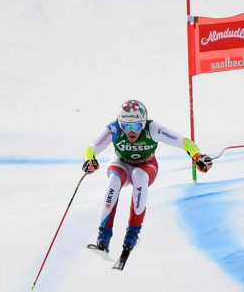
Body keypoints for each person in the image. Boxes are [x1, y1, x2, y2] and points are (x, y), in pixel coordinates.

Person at [82, 99, 212, 263]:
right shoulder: (113, 128)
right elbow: (91, 148)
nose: (131, 131)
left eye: (136, 126)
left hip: (146, 165)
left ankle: (132, 235)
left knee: (139, 177)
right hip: (121, 163)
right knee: (113, 182)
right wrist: (89, 160)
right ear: (120, 124)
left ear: (143, 123)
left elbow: (183, 141)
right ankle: (103, 239)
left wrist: (197, 156)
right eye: (126, 126)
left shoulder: (153, 129)